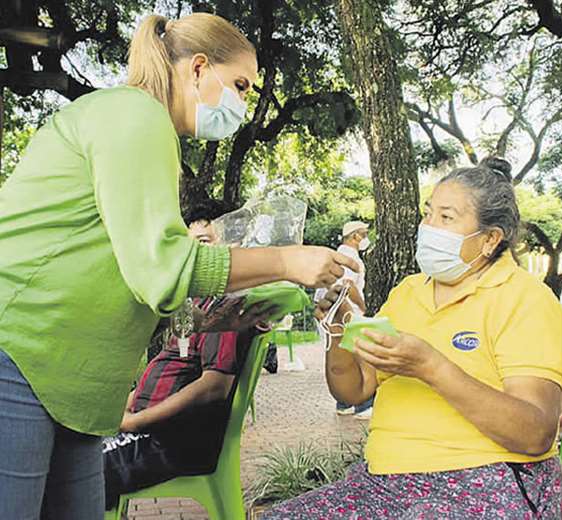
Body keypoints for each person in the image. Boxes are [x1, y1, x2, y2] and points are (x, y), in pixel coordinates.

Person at [0, 13, 356, 517]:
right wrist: (285, 260)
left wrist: (221, 317)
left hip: (72, 385)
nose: (242, 103)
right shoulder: (134, 115)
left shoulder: (143, 129)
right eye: (239, 85)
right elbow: (162, 271)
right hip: (19, 355)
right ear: (197, 69)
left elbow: (127, 274)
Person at [262, 164, 562, 518]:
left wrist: (430, 366)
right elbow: (354, 390)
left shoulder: (524, 299)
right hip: (382, 484)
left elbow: (535, 433)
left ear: (489, 240)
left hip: (487, 482)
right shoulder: (407, 293)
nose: (428, 227)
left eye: (446, 217)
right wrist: (339, 329)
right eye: (428, 213)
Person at [103, 202, 275, 510]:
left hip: (168, 442)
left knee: (73, 474)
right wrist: (131, 401)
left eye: (204, 243)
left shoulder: (227, 308)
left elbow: (213, 386)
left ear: (234, 244)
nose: (193, 257)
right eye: (188, 246)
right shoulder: (203, 304)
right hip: (152, 433)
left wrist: (136, 422)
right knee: (68, 456)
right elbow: (177, 363)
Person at [319, 220, 373, 418]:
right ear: (355, 236)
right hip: (349, 312)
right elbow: (348, 285)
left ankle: (343, 403)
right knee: (359, 358)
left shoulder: (337, 255)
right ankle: (363, 405)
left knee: (341, 355)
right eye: (364, 234)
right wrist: (363, 306)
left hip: (334, 315)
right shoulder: (350, 257)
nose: (366, 238)